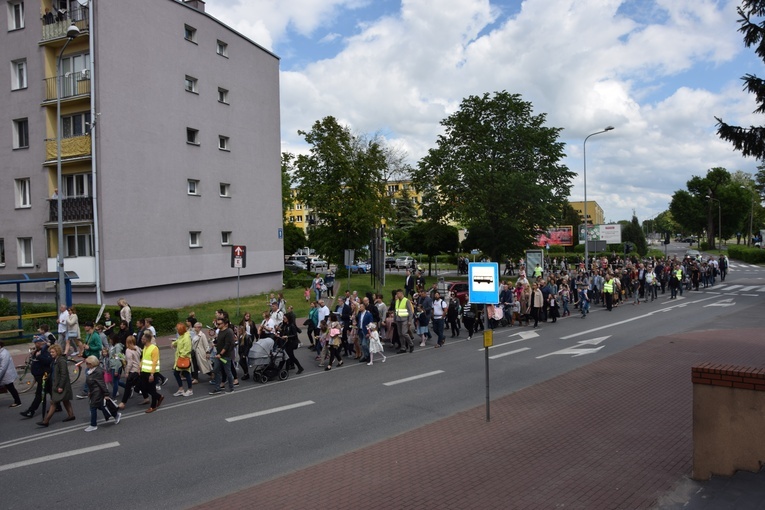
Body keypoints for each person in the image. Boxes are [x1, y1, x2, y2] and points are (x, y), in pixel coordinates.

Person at [36, 344, 75, 426]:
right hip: (57, 384)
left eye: (53, 352)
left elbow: (64, 374)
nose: (51, 353)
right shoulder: (55, 360)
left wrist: (60, 386)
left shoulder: (61, 361)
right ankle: (71, 415)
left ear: (57, 351)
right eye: (50, 352)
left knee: (53, 402)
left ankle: (46, 421)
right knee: (65, 400)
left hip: (61, 385)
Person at [20, 336, 53, 418]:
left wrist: (39, 356)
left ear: (41, 343)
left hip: (43, 376)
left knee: (39, 394)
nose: (35, 344)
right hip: (39, 376)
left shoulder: (45, 351)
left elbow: (48, 361)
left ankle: (31, 411)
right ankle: (58, 406)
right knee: (51, 391)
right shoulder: (38, 351)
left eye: (36, 343)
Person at [83, 355, 117, 431]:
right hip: (93, 391)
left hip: (97, 392)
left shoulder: (97, 372)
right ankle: (116, 415)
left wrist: (106, 394)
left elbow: (102, 384)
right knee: (101, 406)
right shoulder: (91, 370)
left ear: (92, 364)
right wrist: (89, 391)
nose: (86, 365)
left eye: (88, 363)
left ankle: (93, 425)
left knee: (93, 407)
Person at [209, 317, 235, 394]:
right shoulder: (220, 331)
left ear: (225, 324)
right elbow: (221, 342)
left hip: (225, 356)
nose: (217, 325)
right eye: (217, 324)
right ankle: (217, 388)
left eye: (219, 324)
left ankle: (231, 388)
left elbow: (227, 345)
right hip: (218, 355)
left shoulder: (229, 332)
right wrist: (215, 344)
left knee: (228, 372)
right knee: (216, 370)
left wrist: (221, 354)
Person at [140, 329, 164, 413]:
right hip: (144, 371)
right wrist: (140, 367)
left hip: (151, 372)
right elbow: (144, 358)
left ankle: (153, 406)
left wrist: (152, 374)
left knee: (152, 389)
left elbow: (154, 362)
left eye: (142, 339)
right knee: (144, 388)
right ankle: (159, 396)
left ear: (146, 340)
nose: (141, 340)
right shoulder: (145, 347)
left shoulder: (154, 348)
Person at [118, 335, 144, 410]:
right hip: (138, 369)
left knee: (127, 387)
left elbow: (130, 363)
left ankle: (123, 402)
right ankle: (146, 397)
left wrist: (126, 372)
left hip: (132, 371)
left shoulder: (128, 351)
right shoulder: (138, 348)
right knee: (141, 386)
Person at [171, 323, 194, 397]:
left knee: (186, 374)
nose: (177, 331)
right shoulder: (182, 336)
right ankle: (181, 389)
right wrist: (173, 343)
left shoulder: (186, 337)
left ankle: (190, 390)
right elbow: (178, 341)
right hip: (180, 358)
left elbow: (187, 349)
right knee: (177, 373)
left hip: (184, 359)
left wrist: (181, 356)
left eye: (177, 329)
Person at [0, 341, 22, 408]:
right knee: (11, 387)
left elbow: (3, 367)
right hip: (5, 375)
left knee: (11, 387)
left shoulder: (4, 354)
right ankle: (17, 401)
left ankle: (18, 402)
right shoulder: (2, 352)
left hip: (6, 375)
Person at [104, 334, 125, 399]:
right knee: (116, 381)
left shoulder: (117, 346)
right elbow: (112, 355)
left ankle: (114, 395)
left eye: (110, 339)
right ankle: (128, 387)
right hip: (112, 365)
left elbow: (117, 358)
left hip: (116, 366)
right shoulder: (112, 346)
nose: (109, 340)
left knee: (115, 381)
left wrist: (116, 370)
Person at [394, 289, 414, 353]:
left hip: (404, 319)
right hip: (398, 319)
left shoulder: (406, 301)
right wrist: (395, 319)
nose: (397, 295)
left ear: (401, 294)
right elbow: (396, 311)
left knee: (404, 333)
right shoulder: (397, 301)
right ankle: (403, 347)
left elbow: (410, 312)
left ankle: (411, 344)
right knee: (400, 334)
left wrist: (410, 321)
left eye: (398, 294)